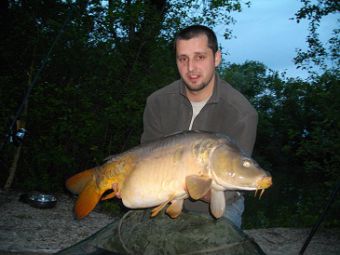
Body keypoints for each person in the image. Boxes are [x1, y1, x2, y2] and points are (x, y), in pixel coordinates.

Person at [140, 25, 258, 228]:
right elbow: (146, 158)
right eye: (183, 59)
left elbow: (233, 188)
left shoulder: (242, 113)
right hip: (164, 196)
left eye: (200, 57)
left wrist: (189, 186)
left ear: (217, 58)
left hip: (219, 206)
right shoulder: (157, 102)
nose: (191, 68)